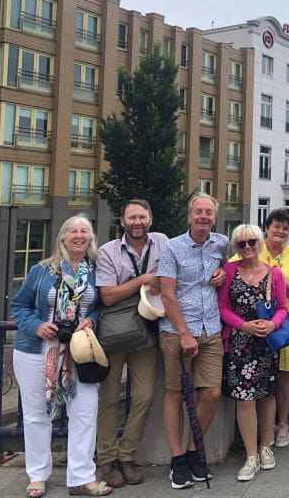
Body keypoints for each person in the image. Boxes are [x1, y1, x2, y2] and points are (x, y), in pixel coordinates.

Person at [11, 214, 111, 498]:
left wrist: (90, 320)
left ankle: (82, 476)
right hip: (36, 350)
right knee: (36, 415)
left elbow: (96, 308)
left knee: (85, 412)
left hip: (79, 351)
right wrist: (37, 326)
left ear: (90, 238)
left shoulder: (95, 272)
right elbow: (20, 306)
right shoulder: (41, 270)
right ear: (63, 237)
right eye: (73, 231)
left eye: (85, 231)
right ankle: (38, 475)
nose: (79, 235)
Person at [157, 193, 228, 490]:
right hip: (177, 331)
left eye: (208, 213)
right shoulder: (172, 247)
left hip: (211, 327)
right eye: (198, 212)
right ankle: (177, 460)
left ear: (214, 217)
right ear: (189, 216)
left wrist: (223, 272)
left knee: (211, 392)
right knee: (175, 393)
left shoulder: (221, 244)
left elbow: (231, 269)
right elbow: (166, 293)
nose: (203, 217)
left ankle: (192, 450)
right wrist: (184, 333)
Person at [95, 200, 168, 488]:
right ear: (122, 221)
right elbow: (108, 296)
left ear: (150, 219)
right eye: (132, 217)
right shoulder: (107, 251)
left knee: (143, 397)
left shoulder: (162, 242)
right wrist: (144, 280)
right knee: (109, 399)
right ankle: (107, 460)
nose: (137, 221)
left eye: (142, 216)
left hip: (146, 334)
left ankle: (127, 455)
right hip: (114, 333)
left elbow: (175, 273)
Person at [218, 224, 288, 482]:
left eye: (251, 242)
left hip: (265, 343)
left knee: (267, 395)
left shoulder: (274, 274)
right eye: (241, 244)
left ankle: (266, 446)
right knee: (244, 398)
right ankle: (251, 455)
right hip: (238, 342)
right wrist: (242, 325)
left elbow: (282, 308)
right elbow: (222, 307)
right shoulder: (228, 272)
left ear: (260, 244)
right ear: (235, 247)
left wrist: (273, 324)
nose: (247, 247)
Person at [244, 209, 289, 448]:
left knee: (286, 373)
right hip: (257, 322)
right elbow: (234, 273)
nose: (280, 231)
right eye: (276, 227)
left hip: (287, 323)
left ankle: (283, 424)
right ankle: (263, 426)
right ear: (266, 228)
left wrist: (274, 275)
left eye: (285, 228)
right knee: (260, 371)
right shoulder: (250, 250)